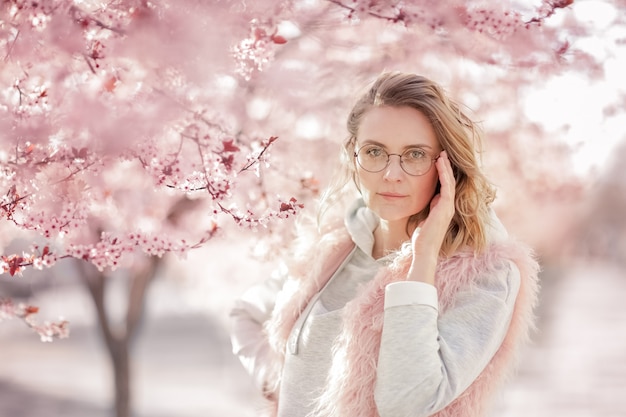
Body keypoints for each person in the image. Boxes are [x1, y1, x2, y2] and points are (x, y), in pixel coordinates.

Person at [229, 72, 540, 417]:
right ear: (354, 156)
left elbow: (407, 402)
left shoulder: (485, 276)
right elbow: (245, 313)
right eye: (375, 151)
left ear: (447, 166)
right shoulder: (330, 247)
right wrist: (279, 384)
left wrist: (422, 259)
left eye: (415, 155)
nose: (392, 174)